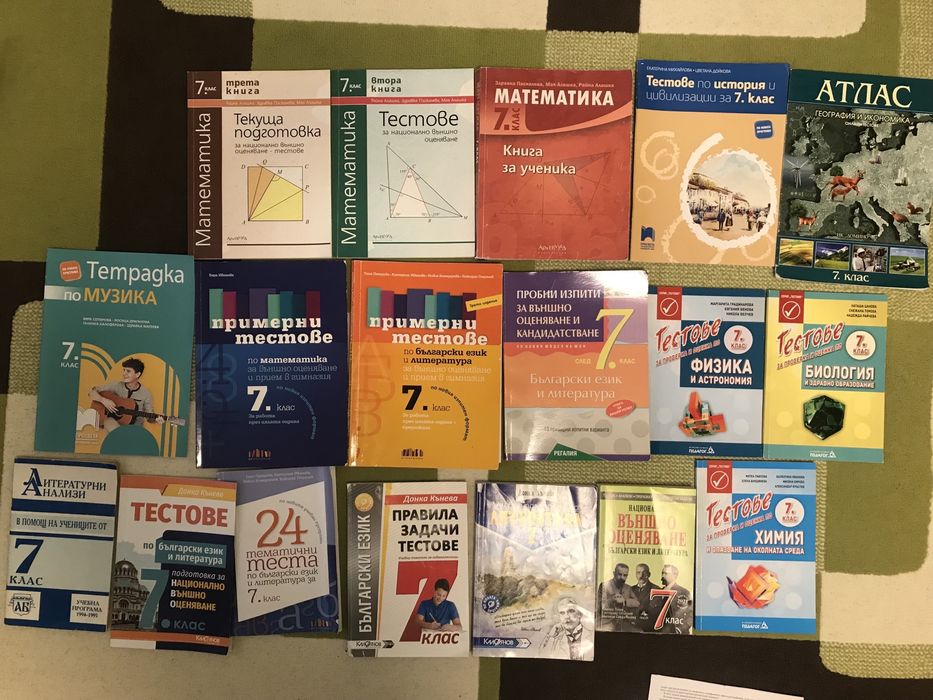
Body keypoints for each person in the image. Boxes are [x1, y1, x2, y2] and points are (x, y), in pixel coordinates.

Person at [89, 358, 163, 433]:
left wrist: (156, 419)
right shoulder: (116, 385)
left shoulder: (146, 394)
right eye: (124, 370)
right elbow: (91, 393)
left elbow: (150, 418)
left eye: (128, 371)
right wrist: (104, 401)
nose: (124, 373)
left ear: (137, 374)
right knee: (109, 422)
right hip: (114, 426)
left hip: (134, 430)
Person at [540, 596, 594, 661]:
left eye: (571, 611)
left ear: (579, 614)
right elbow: (542, 656)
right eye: (562, 613)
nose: (566, 616)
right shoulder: (554, 639)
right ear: (559, 617)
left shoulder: (592, 636)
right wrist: (552, 636)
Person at [597, 563, 639, 631]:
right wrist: (612, 599)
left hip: (624, 623)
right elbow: (599, 606)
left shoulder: (628, 588)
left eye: (625, 575)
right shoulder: (604, 585)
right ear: (614, 573)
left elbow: (637, 603)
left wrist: (625, 601)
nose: (622, 577)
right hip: (607, 622)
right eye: (619, 574)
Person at [659, 564, 693, 634]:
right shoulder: (658, 592)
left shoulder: (684, 592)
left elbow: (691, 615)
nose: (662, 576)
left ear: (674, 575)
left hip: (678, 635)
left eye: (665, 573)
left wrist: (679, 629)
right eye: (662, 573)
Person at [631, 563, 660, 630]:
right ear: (636, 574)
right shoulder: (631, 589)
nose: (641, 575)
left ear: (649, 574)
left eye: (644, 573)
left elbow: (653, 612)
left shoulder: (655, 589)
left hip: (647, 628)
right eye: (638, 572)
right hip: (630, 627)